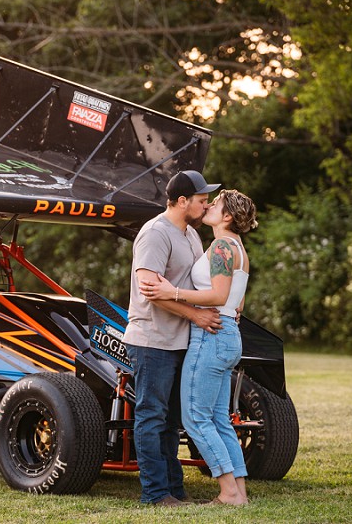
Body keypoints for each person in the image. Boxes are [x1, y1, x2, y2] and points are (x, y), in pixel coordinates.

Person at [140, 189, 259, 506]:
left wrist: (172, 291)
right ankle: (240, 492)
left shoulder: (221, 245)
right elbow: (237, 301)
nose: (208, 206)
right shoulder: (238, 248)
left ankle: (229, 493)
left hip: (212, 335)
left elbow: (219, 296)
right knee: (220, 419)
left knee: (196, 419)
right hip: (229, 333)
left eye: (216, 204)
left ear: (227, 216)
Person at [123, 170, 224, 507]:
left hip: (180, 341)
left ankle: (174, 490)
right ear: (183, 201)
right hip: (152, 340)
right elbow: (150, 290)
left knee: (171, 421)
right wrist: (196, 314)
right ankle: (154, 493)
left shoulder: (191, 235)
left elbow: (193, 285)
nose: (206, 204)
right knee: (151, 417)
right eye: (201, 199)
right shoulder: (155, 233)